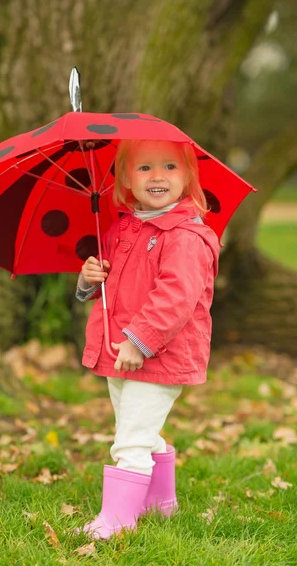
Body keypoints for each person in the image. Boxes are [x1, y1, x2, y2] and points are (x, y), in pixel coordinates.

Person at [74, 139, 220, 540]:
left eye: (170, 167)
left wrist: (140, 341)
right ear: (124, 179)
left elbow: (177, 296)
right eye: (144, 168)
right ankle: (160, 503)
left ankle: (117, 522)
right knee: (137, 427)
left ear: (188, 176)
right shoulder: (123, 228)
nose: (158, 176)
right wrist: (89, 280)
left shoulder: (187, 236)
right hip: (121, 351)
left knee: (130, 440)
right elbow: (115, 287)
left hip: (157, 353)